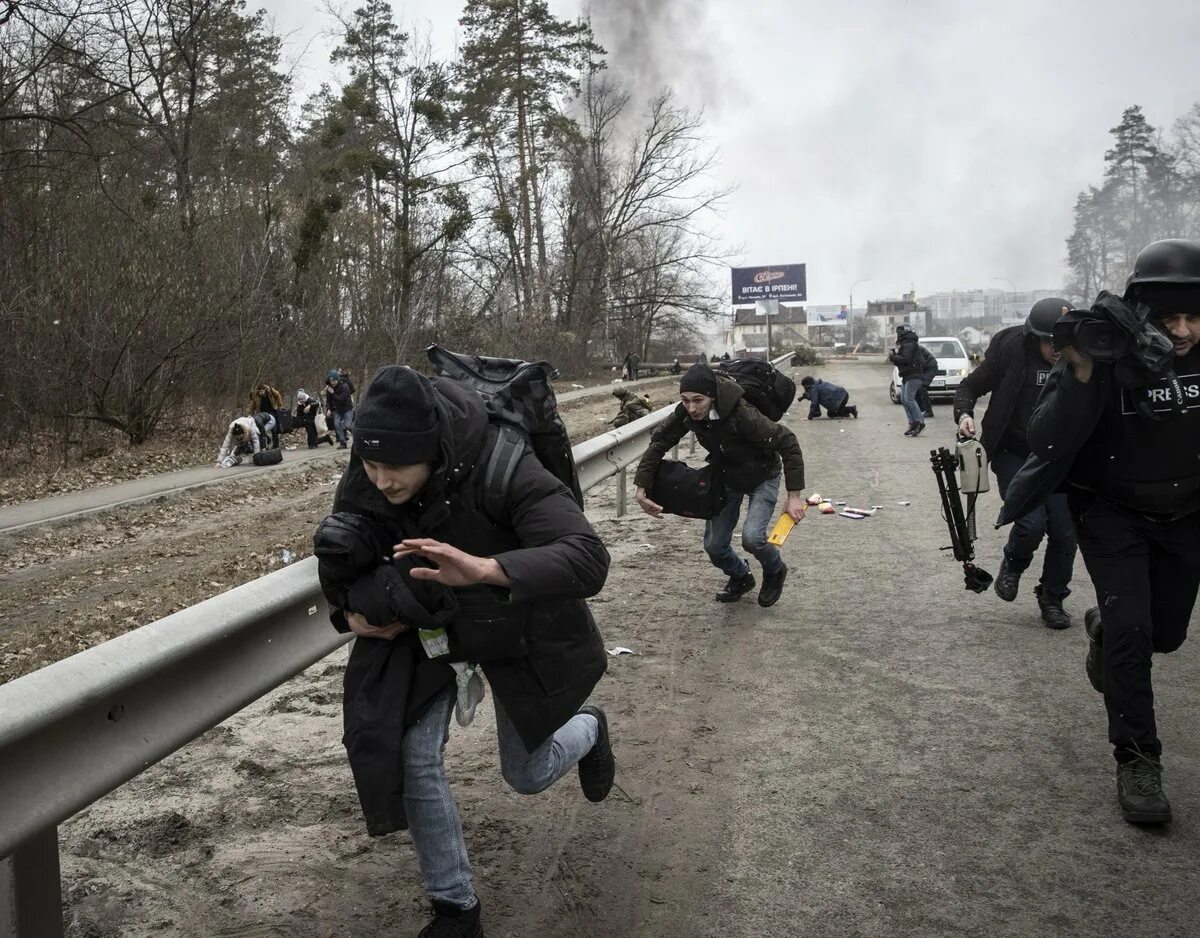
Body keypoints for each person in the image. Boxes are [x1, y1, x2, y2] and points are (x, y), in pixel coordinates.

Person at [314, 365, 615, 936]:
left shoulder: (503, 463)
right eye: (369, 465)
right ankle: (456, 908)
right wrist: (347, 613)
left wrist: (485, 569)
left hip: (512, 613)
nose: (380, 481)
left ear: (433, 449)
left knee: (525, 774)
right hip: (428, 618)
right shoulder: (371, 469)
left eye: (395, 467)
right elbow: (345, 552)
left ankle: (590, 729)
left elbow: (587, 557)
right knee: (411, 754)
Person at [1001, 239, 1200, 826]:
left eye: (1194, 316)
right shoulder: (1105, 352)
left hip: (1188, 512)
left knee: (1163, 635)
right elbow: (1045, 438)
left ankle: (1105, 631)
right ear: (1143, 314)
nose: (1184, 330)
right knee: (1136, 637)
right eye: (1170, 319)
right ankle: (1138, 759)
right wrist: (1083, 375)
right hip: (1115, 512)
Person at [633, 362, 807, 608]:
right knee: (714, 546)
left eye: (698, 400)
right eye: (685, 400)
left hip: (762, 474)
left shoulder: (741, 413)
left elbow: (787, 441)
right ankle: (740, 576)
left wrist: (794, 496)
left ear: (712, 397)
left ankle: (775, 569)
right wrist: (641, 486)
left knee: (752, 538)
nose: (691, 408)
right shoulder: (686, 412)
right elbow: (659, 443)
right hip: (726, 476)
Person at [954, 298, 1077, 629]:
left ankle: (1052, 597)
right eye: (1048, 341)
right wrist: (965, 414)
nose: (1055, 349)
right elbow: (970, 386)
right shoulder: (1011, 351)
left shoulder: (1081, 360)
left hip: (1059, 457)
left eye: (1062, 341)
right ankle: (1013, 564)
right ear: (1034, 337)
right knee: (1030, 523)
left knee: (1066, 533)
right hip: (1013, 452)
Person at [889, 325, 926, 436]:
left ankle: (919, 422)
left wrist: (893, 357)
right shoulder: (907, 343)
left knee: (909, 400)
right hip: (908, 375)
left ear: (902, 333)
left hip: (913, 375)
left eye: (898, 333)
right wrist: (895, 356)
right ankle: (912, 423)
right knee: (905, 400)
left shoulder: (909, 343)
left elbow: (906, 360)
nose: (897, 335)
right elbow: (904, 360)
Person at [326, 369, 355, 449]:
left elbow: (341, 399)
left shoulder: (344, 386)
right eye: (331, 381)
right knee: (337, 425)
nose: (333, 383)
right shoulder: (330, 388)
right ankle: (343, 442)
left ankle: (357, 436)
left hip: (347, 409)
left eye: (334, 381)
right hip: (337, 410)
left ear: (337, 380)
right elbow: (328, 400)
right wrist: (329, 409)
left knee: (347, 425)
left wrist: (333, 393)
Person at [916, 343, 938, 418]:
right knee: (916, 387)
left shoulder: (915, 349)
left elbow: (923, 363)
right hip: (925, 369)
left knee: (922, 387)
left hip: (930, 368)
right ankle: (921, 410)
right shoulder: (911, 347)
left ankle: (928, 411)